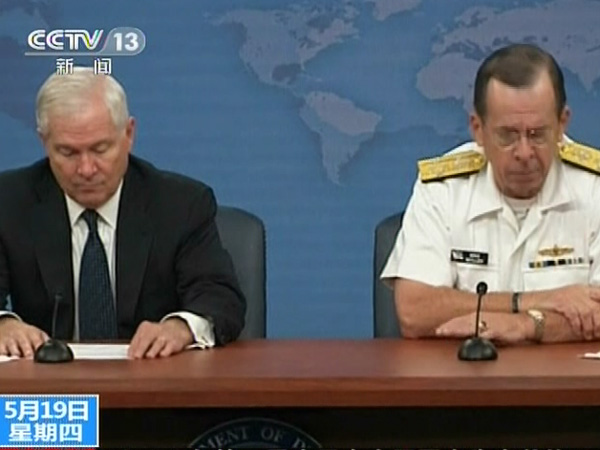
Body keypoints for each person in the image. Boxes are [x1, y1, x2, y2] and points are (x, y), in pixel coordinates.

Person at [0, 68, 246, 358]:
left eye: (100, 149)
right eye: (68, 152)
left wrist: (180, 328)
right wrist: (3, 324)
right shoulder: (9, 203)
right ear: (44, 142)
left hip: (153, 377)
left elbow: (220, 297)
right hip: (46, 381)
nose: (86, 169)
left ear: (129, 134)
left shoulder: (181, 204)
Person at [381, 43, 600, 345]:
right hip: (463, 373)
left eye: (537, 134)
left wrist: (525, 325)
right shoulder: (444, 189)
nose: (524, 152)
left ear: (562, 124)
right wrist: (538, 301)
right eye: (507, 135)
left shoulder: (594, 187)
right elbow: (414, 311)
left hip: (568, 375)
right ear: (478, 129)